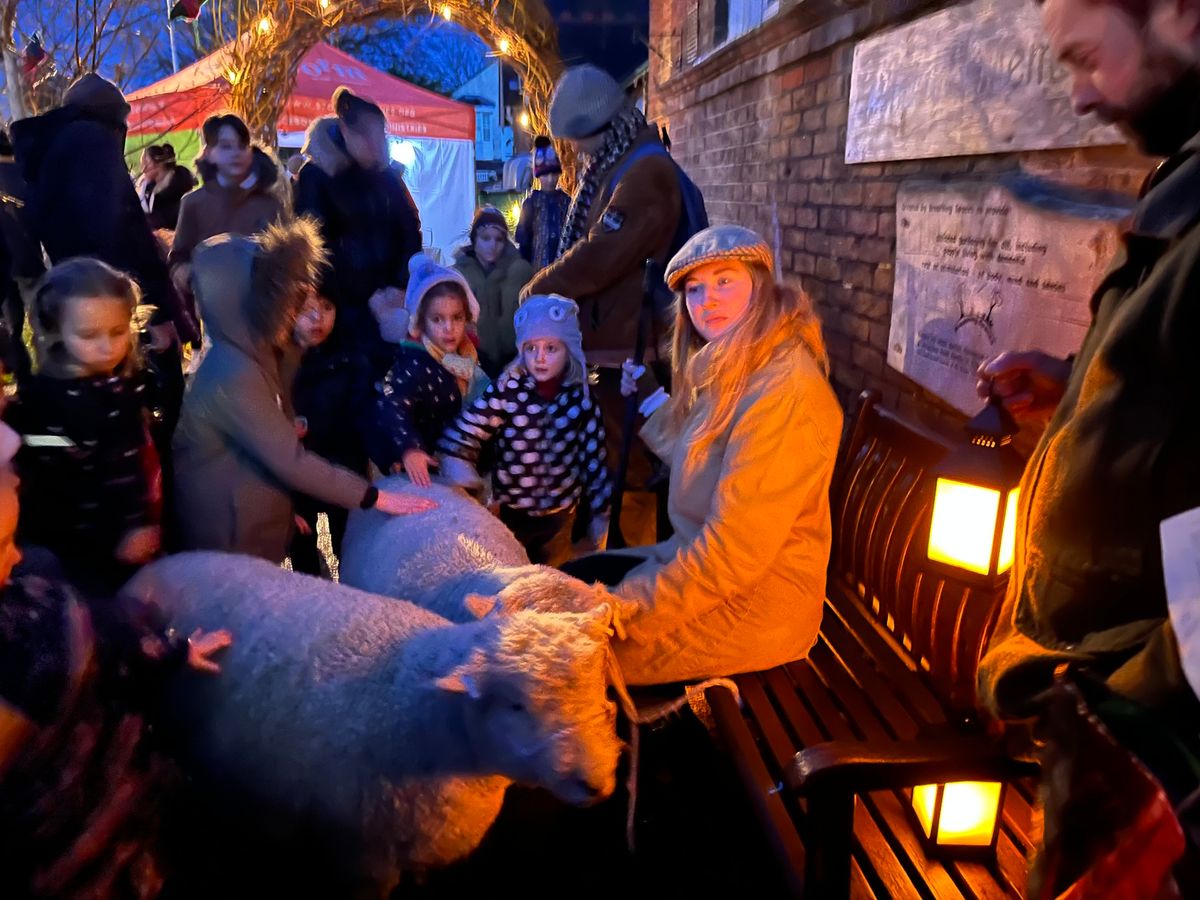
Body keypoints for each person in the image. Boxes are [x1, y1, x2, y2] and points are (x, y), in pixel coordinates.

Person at [975, 0, 1200, 719]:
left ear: (1182, 12)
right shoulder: (1182, 188)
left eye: (1086, 57)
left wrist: (1115, 726)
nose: (1081, 95)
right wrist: (1080, 400)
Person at [562, 226, 842, 685]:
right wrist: (652, 400)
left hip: (754, 606)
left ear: (760, 284)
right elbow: (703, 459)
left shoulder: (782, 393)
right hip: (698, 566)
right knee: (576, 577)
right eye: (694, 289)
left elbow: (731, 559)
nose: (706, 300)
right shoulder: (737, 363)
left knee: (562, 659)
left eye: (724, 280)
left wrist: (623, 611)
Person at [0, 416, 231, 899]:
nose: (16, 476)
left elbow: (107, 637)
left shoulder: (30, 588)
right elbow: (98, 639)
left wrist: (170, 649)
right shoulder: (36, 639)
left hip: (127, 816)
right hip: (80, 862)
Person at [171, 218, 435, 563]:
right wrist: (375, 498)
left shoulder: (259, 356)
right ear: (245, 301)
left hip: (247, 519)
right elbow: (288, 461)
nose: (300, 313)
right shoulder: (234, 373)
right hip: (228, 534)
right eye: (282, 298)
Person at [523, 64, 683, 548]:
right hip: (612, 344)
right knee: (613, 459)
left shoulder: (646, 171)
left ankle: (630, 572)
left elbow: (600, 256)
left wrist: (539, 288)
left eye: (578, 140)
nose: (576, 151)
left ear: (602, 128)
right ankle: (616, 556)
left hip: (632, 351)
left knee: (630, 464)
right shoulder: (619, 162)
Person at [10, 73, 198, 441]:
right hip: (113, 300)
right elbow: (121, 233)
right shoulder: (92, 142)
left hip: (74, 294)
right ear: (113, 117)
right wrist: (158, 313)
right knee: (149, 404)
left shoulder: (54, 147)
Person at [7, 258, 163, 596]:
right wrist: (118, 534)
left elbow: (126, 460)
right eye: (89, 335)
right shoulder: (53, 401)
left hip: (132, 538)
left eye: (118, 331)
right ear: (55, 329)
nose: (108, 347)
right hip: (85, 552)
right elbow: (58, 484)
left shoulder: (122, 383)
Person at [440, 294, 610, 566]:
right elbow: (472, 424)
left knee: (550, 580)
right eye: (531, 348)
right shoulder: (509, 389)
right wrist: (458, 459)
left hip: (558, 517)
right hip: (511, 512)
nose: (539, 358)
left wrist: (601, 513)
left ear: (569, 349)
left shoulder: (581, 399)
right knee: (510, 575)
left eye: (551, 348)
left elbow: (594, 460)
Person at [295, 86, 423, 377]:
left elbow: (409, 232)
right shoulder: (316, 176)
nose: (378, 143)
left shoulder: (387, 179)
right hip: (340, 312)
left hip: (390, 304)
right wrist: (364, 294)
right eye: (369, 135)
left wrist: (398, 285)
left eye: (381, 134)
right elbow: (314, 247)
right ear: (347, 132)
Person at [366, 253, 488, 485]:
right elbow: (391, 402)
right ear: (421, 322)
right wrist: (410, 449)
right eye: (437, 319)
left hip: (461, 467)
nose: (449, 328)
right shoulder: (414, 362)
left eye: (457, 317)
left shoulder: (469, 359)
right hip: (425, 470)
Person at [287, 288, 369, 576]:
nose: (316, 317)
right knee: (302, 550)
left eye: (326, 306)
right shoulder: (276, 361)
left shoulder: (350, 358)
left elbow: (365, 412)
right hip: (297, 474)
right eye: (304, 308)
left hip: (342, 466)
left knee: (349, 549)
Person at [168, 114, 288, 297]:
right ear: (208, 153)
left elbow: (288, 258)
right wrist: (191, 277)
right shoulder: (193, 203)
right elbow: (178, 257)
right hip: (212, 307)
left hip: (265, 310)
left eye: (242, 146)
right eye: (225, 146)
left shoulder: (270, 204)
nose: (235, 153)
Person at [453, 206, 534, 378]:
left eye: (499, 239)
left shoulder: (521, 272)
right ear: (475, 239)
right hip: (473, 361)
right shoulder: (459, 274)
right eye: (485, 238)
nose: (492, 245)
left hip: (515, 361)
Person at [515, 136, 570, 271]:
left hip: (564, 269)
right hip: (538, 269)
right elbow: (523, 240)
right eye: (545, 175)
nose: (551, 179)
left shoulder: (566, 201)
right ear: (538, 176)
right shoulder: (531, 203)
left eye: (554, 174)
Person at [138, 143, 195, 232]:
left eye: (145, 163)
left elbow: (163, 221)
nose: (142, 169)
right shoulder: (149, 188)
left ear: (158, 164)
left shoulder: (177, 188)